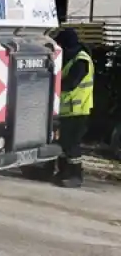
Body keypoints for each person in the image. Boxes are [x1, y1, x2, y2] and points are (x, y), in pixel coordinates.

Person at [54, 28, 94, 188]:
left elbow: (71, 83)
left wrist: (53, 86)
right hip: (66, 111)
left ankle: (76, 176)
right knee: (63, 144)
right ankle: (63, 173)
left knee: (72, 145)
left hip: (78, 111)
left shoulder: (81, 60)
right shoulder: (70, 58)